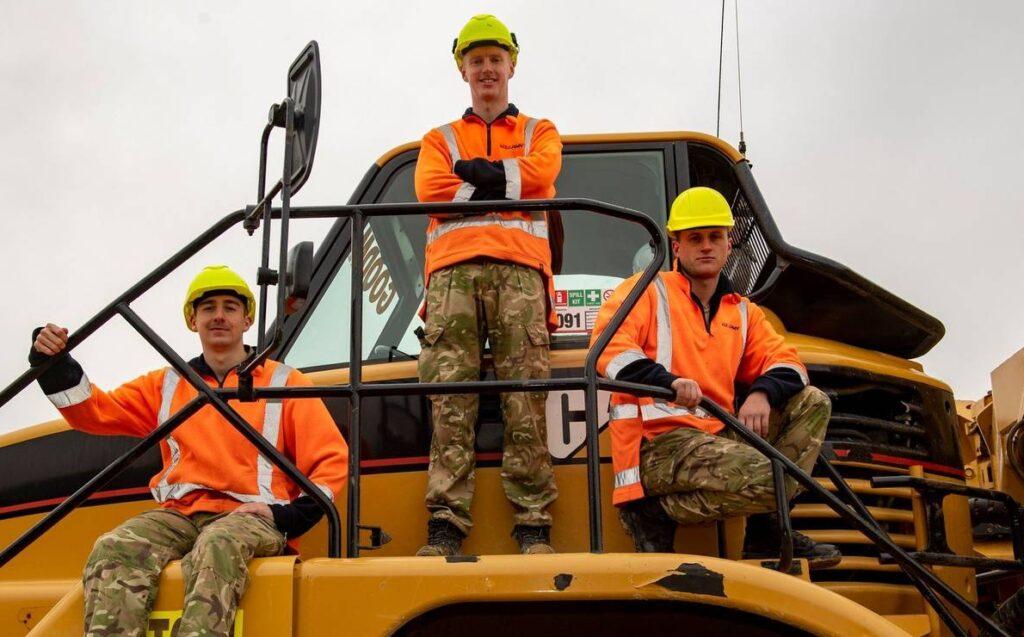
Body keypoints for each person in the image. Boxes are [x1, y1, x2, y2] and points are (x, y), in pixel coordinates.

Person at [30, 265, 349, 636]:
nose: (218, 315)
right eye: (207, 307)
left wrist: (286, 518)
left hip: (248, 519)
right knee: (113, 546)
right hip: (178, 516)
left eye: (230, 307)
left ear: (247, 320)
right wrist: (52, 362)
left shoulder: (284, 381)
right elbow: (95, 412)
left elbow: (329, 460)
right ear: (191, 320)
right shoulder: (166, 385)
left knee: (218, 544)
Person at [589, 187, 841, 568]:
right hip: (658, 444)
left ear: (728, 244)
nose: (705, 246)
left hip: (715, 434)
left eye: (714, 237)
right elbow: (607, 351)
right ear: (676, 246)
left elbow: (788, 362)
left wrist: (762, 393)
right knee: (775, 475)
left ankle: (750, 528)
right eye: (694, 238)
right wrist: (669, 382)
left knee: (813, 402)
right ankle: (653, 508)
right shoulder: (647, 290)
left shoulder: (742, 312)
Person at [413, 14, 562, 556]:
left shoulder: (539, 131)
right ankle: (445, 528)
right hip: (450, 277)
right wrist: (505, 181)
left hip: (521, 274)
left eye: (495, 59)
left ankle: (533, 526)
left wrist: (477, 174)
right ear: (463, 71)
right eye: (476, 61)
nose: (487, 69)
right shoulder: (439, 139)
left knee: (527, 396)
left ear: (512, 65)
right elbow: (430, 188)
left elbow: (542, 174)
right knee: (452, 402)